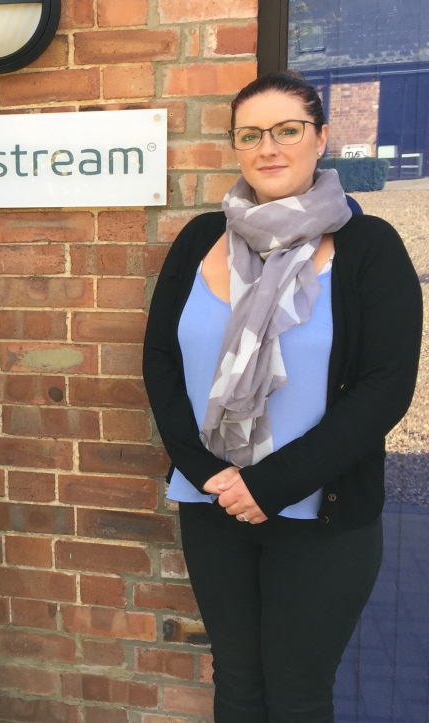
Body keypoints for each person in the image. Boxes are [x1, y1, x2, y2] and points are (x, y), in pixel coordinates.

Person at [143, 72, 421, 723]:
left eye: (286, 130)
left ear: (320, 139)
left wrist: (268, 484)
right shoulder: (199, 240)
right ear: (236, 146)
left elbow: (385, 387)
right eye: (250, 134)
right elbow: (160, 362)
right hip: (214, 505)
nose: (268, 147)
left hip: (319, 518)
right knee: (237, 686)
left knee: (297, 697)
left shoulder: (369, 247)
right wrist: (204, 471)